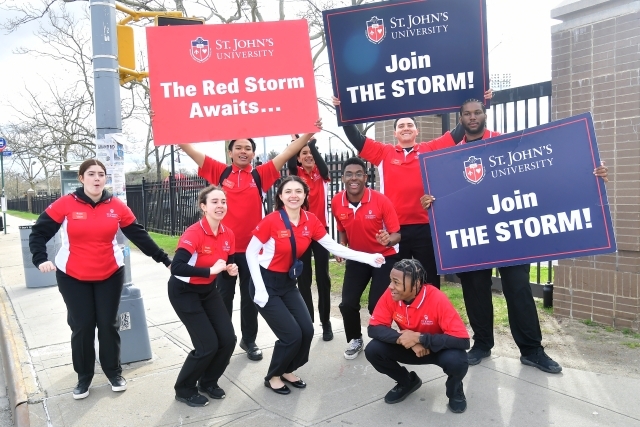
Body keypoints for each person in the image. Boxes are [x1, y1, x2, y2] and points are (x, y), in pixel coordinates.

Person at [420, 98, 610, 373]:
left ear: (485, 114)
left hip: (509, 235)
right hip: (474, 236)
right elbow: (443, 197)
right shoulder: (448, 158)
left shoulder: (505, 143)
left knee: (518, 288)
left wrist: (589, 171)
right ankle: (482, 344)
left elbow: (545, 169)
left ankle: (532, 350)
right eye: (467, 114)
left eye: (477, 112)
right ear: (460, 120)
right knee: (475, 290)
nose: (472, 117)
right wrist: (429, 201)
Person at [29, 159, 171, 400]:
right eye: (91, 174)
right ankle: (83, 377)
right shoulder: (65, 204)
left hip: (109, 273)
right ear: (81, 178)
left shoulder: (116, 206)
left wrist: (164, 259)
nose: (97, 178)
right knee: (82, 326)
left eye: (101, 175)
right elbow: (39, 231)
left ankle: (113, 372)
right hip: (73, 275)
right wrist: (40, 258)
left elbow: (138, 234)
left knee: (107, 324)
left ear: (106, 179)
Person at [179, 121, 321, 361]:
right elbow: (190, 150)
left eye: (248, 148)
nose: (243, 151)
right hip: (223, 252)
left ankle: (249, 340)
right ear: (230, 151)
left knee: (249, 298)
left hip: (252, 252)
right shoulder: (219, 172)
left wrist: (309, 132)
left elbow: (289, 151)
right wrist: (166, 127)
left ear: (253, 153)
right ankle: (223, 340)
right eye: (238, 147)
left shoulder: (260, 175)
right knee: (222, 297)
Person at [332, 91, 492, 290]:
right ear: (395, 133)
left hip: (426, 226)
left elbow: (460, 130)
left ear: (416, 131)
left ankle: (432, 318)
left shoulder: (430, 147)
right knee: (401, 283)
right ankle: (405, 319)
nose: (405, 128)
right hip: (395, 230)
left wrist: (482, 99)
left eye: (409, 125)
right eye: (401, 126)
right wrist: (342, 111)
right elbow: (356, 138)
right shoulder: (384, 153)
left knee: (430, 280)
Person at [246, 176, 385, 395]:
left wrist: (368, 258)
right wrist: (260, 288)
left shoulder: (310, 220)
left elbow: (334, 247)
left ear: (304, 195)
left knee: (307, 329)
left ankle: (288, 369)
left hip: (287, 283)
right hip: (266, 282)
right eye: (288, 191)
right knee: (291, 334)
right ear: (280, 196)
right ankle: (273, 375)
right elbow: (250, 252)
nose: (294, 195)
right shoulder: (271, 220)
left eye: (298, 191)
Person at [365, 259, 470, 413]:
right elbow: (374, 328)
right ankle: (407, 382)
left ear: (416, 284)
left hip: (437, 349)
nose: (390, 287)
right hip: (410, 347)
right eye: (390, 281)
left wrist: (420, 338)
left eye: (396, 282)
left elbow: (463, 341)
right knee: (373, 350)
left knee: (458, 361)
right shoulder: (391, 295)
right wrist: (408, 340)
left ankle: (455, 392)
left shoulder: (437, 298)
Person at [169, 185, 238, 407]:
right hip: (184, 292)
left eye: (223, 201)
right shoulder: (194, 233)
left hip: (208, 291)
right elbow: (177, 267)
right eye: (215, 202)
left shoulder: (229, 234)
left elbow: (225, 272)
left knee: (228, 340)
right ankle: (184, 389)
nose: (220, 206)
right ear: (203, 207)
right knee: (207, 345)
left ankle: (208, 382)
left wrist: (230, 272)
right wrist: (209, 271)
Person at [331, 157, 402, 360]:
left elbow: (397, 233)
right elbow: (342, 230)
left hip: (382, 258)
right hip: (358, 258)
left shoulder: (381, 200)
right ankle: (355, 339)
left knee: (375, 305)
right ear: (343, 177)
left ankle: (383, 339)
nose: (354, 178)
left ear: (366, 177)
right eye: (349, 174)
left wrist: (388, 240)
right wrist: (342, 247)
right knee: (347, 303)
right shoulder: (337, 201)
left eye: (358, 174)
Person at [287, 135, 333, 341]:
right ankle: (308, 321)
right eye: (303, 153)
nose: (308, 156)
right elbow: (289, 159)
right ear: (298, 158)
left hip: (320, 231)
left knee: (323, 278)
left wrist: (311, 145)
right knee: (303, 279)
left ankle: (326, 321)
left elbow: (324, 168)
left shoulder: (321, 174)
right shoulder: (295, 175)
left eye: (311, 153)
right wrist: (298, 142)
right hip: (300, 233)